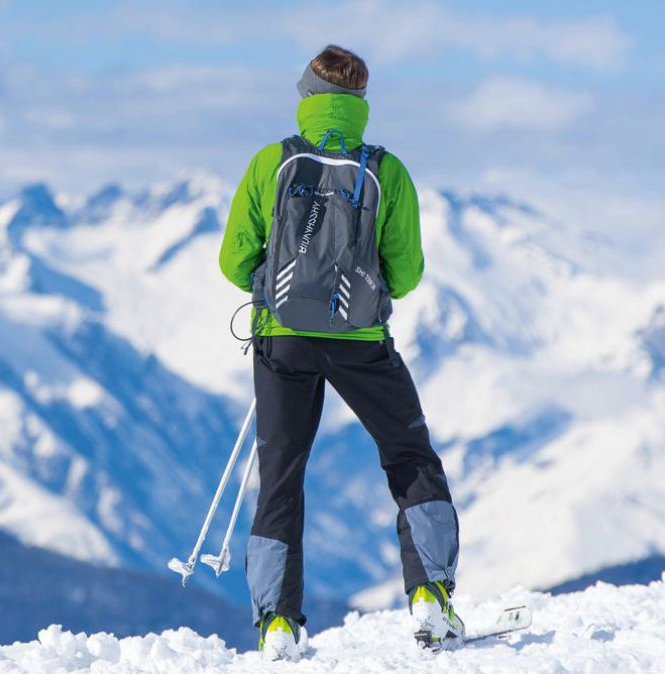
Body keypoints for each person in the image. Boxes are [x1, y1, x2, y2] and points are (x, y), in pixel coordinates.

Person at [217, 45, 463, 661]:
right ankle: (430, 593)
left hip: (282, 339)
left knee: (281, 473)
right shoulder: (387, 169)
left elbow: (232, 260)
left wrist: (274, 287)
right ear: (361, 102)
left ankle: (277, 622)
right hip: (360, 342)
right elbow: (405, 274)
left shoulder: (271, 163)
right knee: (408, 456)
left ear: (305, 96)